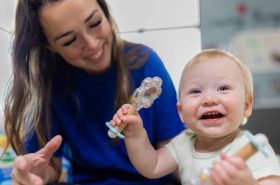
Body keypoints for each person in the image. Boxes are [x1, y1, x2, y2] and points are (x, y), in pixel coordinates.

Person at [3, 0, 185, 185]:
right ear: (49, 46)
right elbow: (49, 166)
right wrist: (37, 174)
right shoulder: (50, 87)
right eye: (69, 40)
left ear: (105, 13)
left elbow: (177, 156)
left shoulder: (145, 64)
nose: (92, 44)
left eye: (95, 23)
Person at [111, 49, 280, 185]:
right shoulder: (184, 143)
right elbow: (152, 166)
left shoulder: (251, 149)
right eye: (196, 91)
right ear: (181, 112)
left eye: (223, 88)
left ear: (246, 105)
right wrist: (135, 135)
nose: (209, 100)